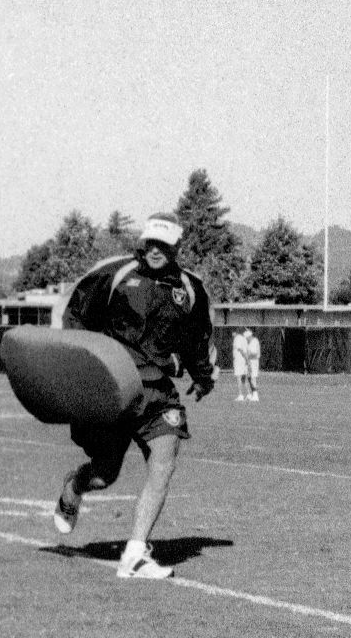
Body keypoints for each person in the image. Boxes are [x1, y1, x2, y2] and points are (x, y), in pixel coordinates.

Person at [52, 212, 215, 579]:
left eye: (164, 244)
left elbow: (197, 338)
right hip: (113, 389)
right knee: (104, 475)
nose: (155, 250)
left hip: (158, 392)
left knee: (165, 458)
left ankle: (136, 553)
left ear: (177, 246)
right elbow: (76, 318)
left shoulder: (189, 288)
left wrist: (203, 377)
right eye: (151, 242)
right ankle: (73, 487)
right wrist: (77, 368)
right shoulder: (115, 273)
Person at [231, 329, 250, 401]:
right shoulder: (244, 338)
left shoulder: (237, 338)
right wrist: (247, 359)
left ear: (235, 332)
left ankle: (240, 395)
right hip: (243, 360)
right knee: (244, 378)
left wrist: (246, 359)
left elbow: (240, 350)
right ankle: (248, 394)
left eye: (233, 332)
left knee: (239, 378)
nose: (232, 334)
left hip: (239, 360)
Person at [243, 328, 261, 402]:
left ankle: (255, 395)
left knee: (253, 378)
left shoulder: (254, 341)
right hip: (249, 361)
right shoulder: (249, 342)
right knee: (248, 377)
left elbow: (254, 353)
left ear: (250, 336)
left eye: (246, 338)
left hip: (253, 362)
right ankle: (250, 394)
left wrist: (246, 354)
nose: (246, 339)